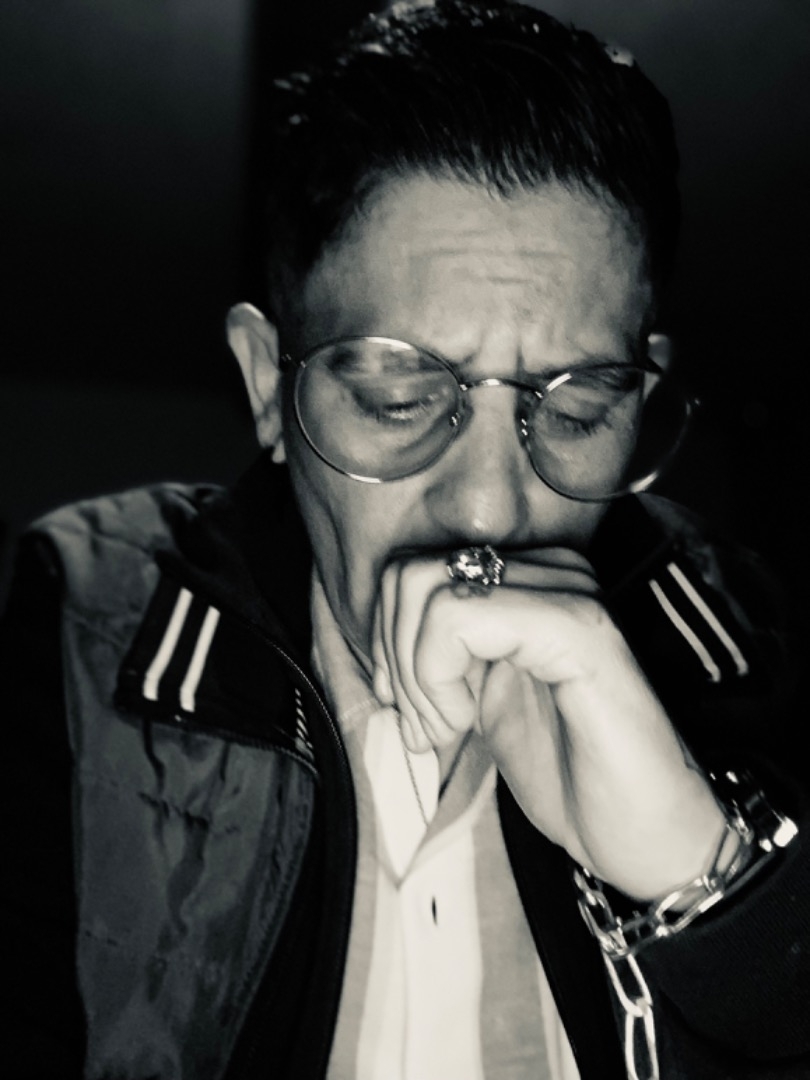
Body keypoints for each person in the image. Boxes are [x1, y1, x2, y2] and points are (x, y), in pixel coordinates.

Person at [2, 1, 808, 1077]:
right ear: (266, 384)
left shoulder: (750, 632)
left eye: (578, 409)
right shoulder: (68, 622)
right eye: (399, 397)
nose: (489, 511)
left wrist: (708, 882)